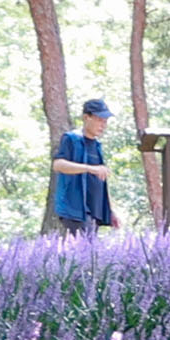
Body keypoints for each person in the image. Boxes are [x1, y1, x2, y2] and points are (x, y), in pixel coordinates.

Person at [49, 94, 118, 235]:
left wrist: (110, 211)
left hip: (96, 210)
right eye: (99, 120)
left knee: (89, 252)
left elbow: (100, 179)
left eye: (105, 121)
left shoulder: (97, 146)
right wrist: (89, 168)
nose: (103, 125)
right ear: (86, 117)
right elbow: (58, 165)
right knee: (85, 250)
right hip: (76, 209)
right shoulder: (71, 139)